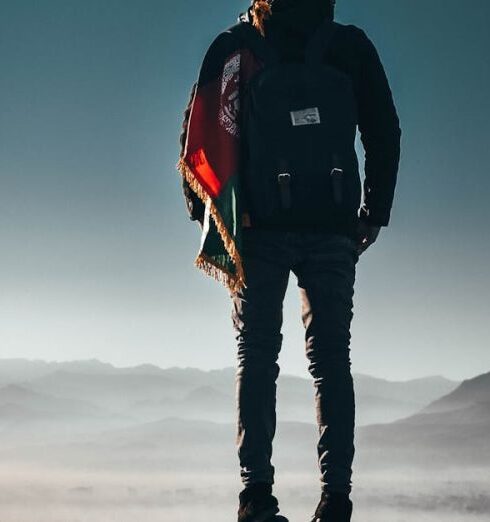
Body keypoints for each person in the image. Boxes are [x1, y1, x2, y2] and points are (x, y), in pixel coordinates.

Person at [179, 1, 401, 520]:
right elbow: (384, 130)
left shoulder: (236, 46)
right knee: (330, 364)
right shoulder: (348, 46)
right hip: (332, 228)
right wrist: (373, 213)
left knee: (257, 359)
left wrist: (207, 214)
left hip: (256, 232)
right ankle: (336, 499)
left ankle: (256, 497)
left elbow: (198, 128)